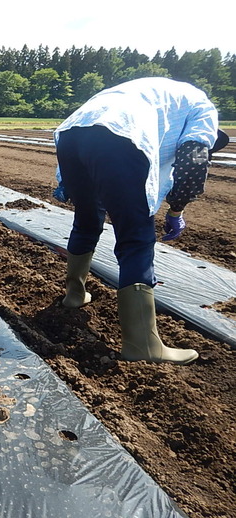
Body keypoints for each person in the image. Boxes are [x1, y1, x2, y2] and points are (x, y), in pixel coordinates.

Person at [53, 77, 229, 365]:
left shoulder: (155, 94)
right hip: (120, 136)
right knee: (136, 236)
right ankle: (143, 345)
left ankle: (74, 294)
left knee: (86, 220)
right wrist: (176, 211)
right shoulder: (202, 107)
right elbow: (193, 163)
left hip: (73, 134)